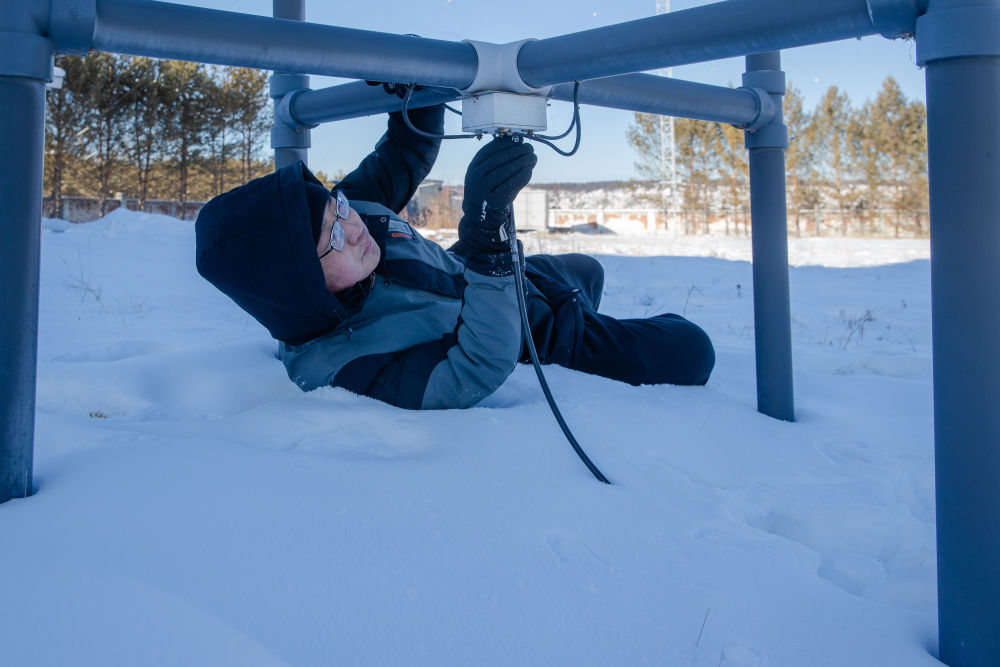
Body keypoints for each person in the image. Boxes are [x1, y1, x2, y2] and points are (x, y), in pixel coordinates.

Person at [195, 103, 714, 410]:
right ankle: (582, 327)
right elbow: (473, 368)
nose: (352, 228)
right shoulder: (338, 370)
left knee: (589, 270)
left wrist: (416, 89)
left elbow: (404, 152)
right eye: (331, 239)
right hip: (521, 332)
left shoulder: (352, 211)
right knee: (691, 350)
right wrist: (487, 233)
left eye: (340, 209)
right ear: (299, 288)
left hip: (477, 272)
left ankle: (576, 304)